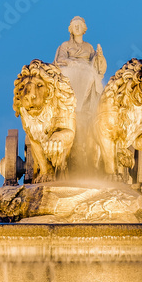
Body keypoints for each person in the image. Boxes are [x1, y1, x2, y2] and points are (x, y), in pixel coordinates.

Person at [54, 16, 107, 171]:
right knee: (68, 76)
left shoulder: (89, 47)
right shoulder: (65, 45)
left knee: (92, 76)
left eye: (79, 25)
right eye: (74, 25)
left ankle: (87, 107)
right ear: (71, 29)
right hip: (69, 70)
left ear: (84, 28)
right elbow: (60, 60)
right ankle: (70, 107)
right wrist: (72, 62)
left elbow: (97, 66)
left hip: (87, 71)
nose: (77, 28)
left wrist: (100, 56)